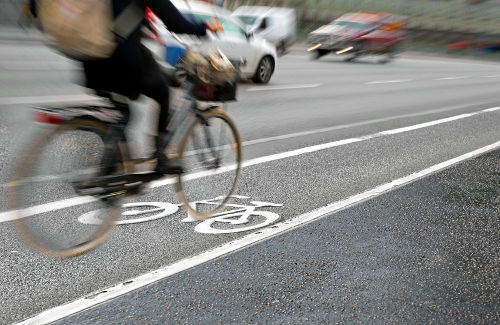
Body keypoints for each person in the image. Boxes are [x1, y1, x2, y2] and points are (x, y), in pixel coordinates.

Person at [29, 0, 222, 174]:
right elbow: (176, 22)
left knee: (123, 111)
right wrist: (205, 27)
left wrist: (140, 21)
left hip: (90, 59)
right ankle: (160, 159)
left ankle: (115, 159)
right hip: (120, 60)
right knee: (162, 91)